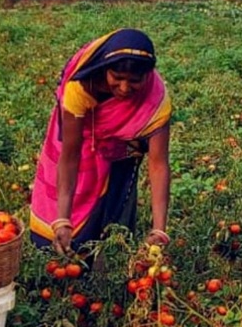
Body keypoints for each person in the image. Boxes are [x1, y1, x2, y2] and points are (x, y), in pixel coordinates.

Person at [29, 28, 172, 256]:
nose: (125, 88)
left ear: (148, 75)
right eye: (117, 78)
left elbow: (158, 165)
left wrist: (159, 230)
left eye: (135, 81)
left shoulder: (154, 101)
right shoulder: (81, 87)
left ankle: (108, 261)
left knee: (111, 217)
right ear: (105, 69)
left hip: (120, 153)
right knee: (58, 228)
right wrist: (63, 219)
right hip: (80, 146)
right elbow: (70, 155)